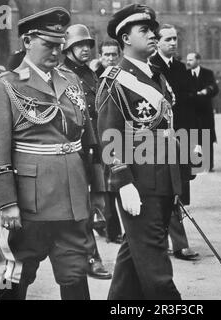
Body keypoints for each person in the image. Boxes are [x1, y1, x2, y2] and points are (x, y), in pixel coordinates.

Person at [0, 7, 101, 300]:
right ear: (27, 42)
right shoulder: (6, 84)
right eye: (48, 45)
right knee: (15, 275)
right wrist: (6, 202)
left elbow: (89, 141)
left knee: (75, 274)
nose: (57, 52)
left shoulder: (69, 80)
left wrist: (97, 190)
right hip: (27, 202)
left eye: (60, 46)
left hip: (72, 198)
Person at [97, 3, 182, 299]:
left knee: (133, 260)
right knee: (157, 270)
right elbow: (110, 137)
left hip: (162, 180)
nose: (153, 35)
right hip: (139, 184)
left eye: (153, 30)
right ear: (125, 39)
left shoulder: (157, 75)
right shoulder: (116, 80)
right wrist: (123, 182)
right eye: (144, 30)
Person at [60, 23, 112, 280]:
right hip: (75, 148)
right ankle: (91, 257)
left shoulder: (91, 75)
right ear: (67, 48)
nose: (85, 49)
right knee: (80, 207)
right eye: (79, 45)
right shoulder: (60, 75)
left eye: (87, 45)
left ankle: (89, 253)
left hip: (95, 146)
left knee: (97, 202)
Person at [150, 24, 199, 261]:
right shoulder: (151, 68)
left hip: (180, 137)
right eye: (168, 39)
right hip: (157, 139)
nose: (173, 43)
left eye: (175, 39)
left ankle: (174, 242)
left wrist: (195, 142)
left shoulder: (181, 68)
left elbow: (190, 106)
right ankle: (176, 243)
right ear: (157, 42)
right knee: (164, 192)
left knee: (178, 192)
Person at [94, 39, 124, 244]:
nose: (111, 58)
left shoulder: (125, 77)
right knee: (106, 188)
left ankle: (126, 230)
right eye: (107, 55)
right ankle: (111, 230)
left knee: (122, 183)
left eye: (114, 54)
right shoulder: (95, 78)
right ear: (100, 57)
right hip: (99, 138)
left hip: (122, 137)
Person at [186, 52, 218, 172]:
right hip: (192, 111)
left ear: (198, 60)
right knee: (193, 137)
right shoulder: (186, 74)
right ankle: (196, 164)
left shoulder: (207, 73)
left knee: (207, 137)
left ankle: (209, 164)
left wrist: (206, 91)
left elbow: (214, 88)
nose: (188, 62)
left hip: (205, 111)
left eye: (191, 60)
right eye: (187, 60)